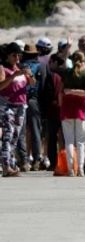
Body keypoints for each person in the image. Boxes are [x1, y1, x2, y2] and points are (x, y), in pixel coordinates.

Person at [0, 43, 35, 176]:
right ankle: (6, 166)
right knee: (8, 135)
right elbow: (1, 86)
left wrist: (29, 75)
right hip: (7, 106)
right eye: (14, 55)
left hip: (21, 106)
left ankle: (11, 163)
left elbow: (33, 83)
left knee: (16, 137)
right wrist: (14, 75)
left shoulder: (20, 68)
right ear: (7, 56)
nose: (17, 58)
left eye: (18, 55)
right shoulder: (3, 69)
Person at [59, 53, 85, 177]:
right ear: (83, 60)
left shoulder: (66, 73)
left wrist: (69, 92)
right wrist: (76, 92)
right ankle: (81, 168)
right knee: (81, 141)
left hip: (67, 107)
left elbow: (61, 91)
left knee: (69, 140)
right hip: (81, 108)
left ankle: (71, 169)